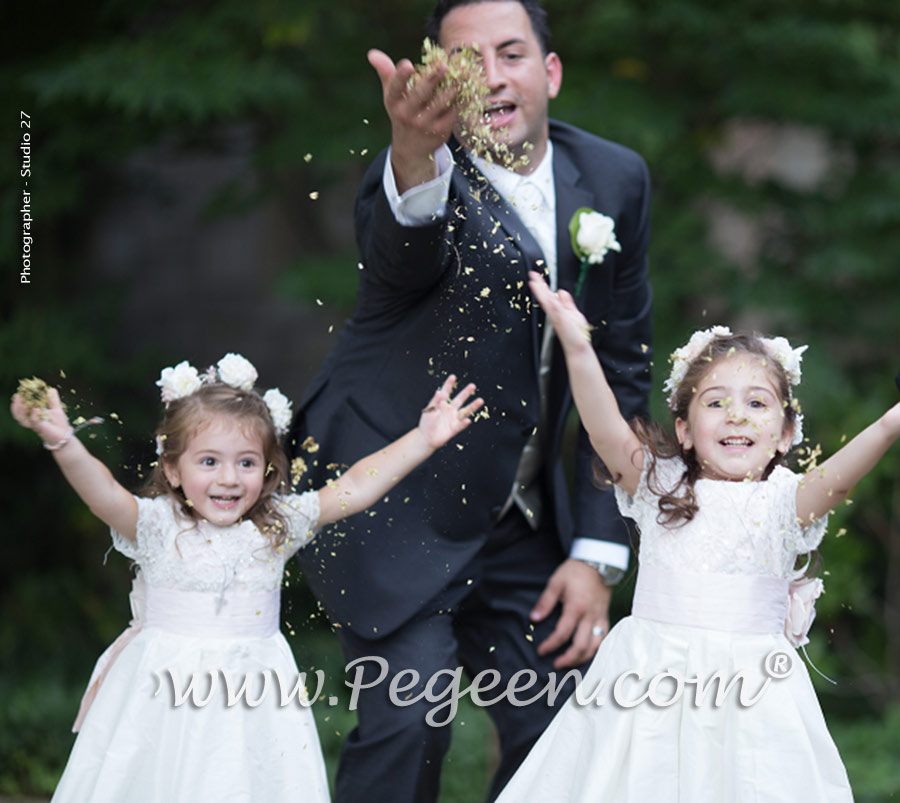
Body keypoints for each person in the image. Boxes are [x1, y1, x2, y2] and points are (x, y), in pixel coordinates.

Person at [288, 1, 652, 799]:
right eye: (465, 60)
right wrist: (414, 157)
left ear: (549, 72)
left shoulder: (616, 178)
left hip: (523, 515)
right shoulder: (418, 177)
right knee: (409, 718)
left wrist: (597, 551)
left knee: (569, 726)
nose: (491, 77)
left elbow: (620, 368)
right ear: (439, 82)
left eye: (511, 54)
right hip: (394, 498)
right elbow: (402, 251)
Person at [491, 273, 900, 801]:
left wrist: (891, 423)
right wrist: (577, 346)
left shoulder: (784, 502)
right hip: (648, 686)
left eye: (757, 404)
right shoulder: (659, 485)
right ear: (683, 428)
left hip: (752, 695)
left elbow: (841, 477)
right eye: (715, 403)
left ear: (785, 433)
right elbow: (605, 429)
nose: (736, 415)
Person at [11, 353, 481, 803]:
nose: (229, 478)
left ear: (268, 468)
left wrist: (423, 439)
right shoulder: (157, 525)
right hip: (163, 692)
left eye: (246, 462)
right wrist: (62, 441)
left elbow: (354, 487)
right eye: (209, 461)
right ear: (173, 470)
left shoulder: (278, 524)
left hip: (253, 692)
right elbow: (103, 495)